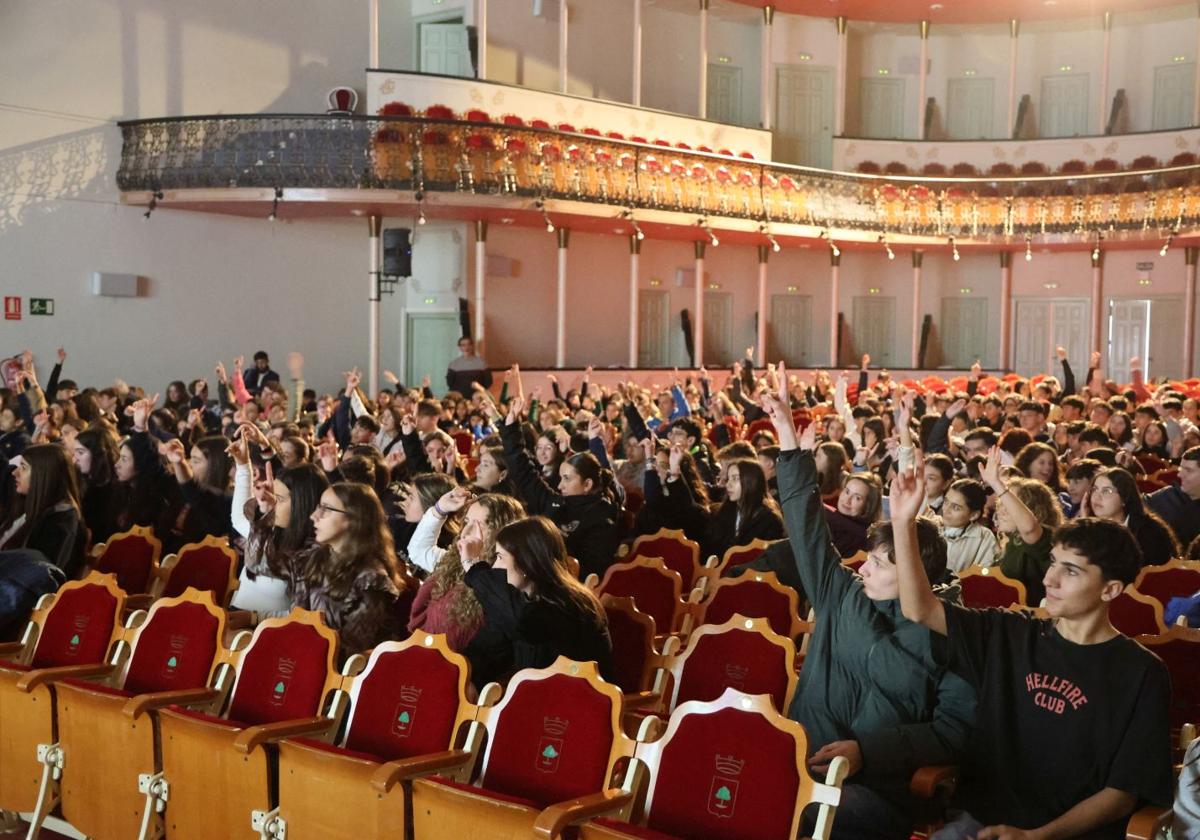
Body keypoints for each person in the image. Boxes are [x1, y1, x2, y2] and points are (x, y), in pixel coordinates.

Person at [890, 455, 1173, 840]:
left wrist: (1038, 836)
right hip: (982, 824)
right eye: (1053, 563)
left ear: (1110, 590)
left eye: (1070, 571)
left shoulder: (1141, 672)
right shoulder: (1010, 632)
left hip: (1069, 834)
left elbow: (1122, 792)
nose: (1050, 578)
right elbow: (919, 608)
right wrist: (903, 524)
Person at [758, 368, 974, 840]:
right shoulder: (843, 595)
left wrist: (868, 752)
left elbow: (952, 731)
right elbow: (807, 527)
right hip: (800, 759)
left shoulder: (950, 632)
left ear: (916, 574)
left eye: (880, 563)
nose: (864, 569)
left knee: (808, 817)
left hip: (875, 787)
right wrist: (788, 439)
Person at [459, 515, 612, 689]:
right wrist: (463, 679)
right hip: (539, 701)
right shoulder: (521, 602)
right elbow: (485, 652)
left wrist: (474, 567)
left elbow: (522, 620)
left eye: (500, 557)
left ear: (527, 563)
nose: (494, 567)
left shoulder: (567, 604)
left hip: (573, 706)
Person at [280, 482, 406, 657]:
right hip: (302, 656)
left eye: (326, 509)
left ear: (354, 518)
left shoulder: (372, 580)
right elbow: (297, 618)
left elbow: (349, 650)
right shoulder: (315, 558)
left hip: (340, 674)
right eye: (318, 507)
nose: (313, 516)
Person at [501, 395, 620, 579]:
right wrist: (511, 428)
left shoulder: (602, 520)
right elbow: (524, 473)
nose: (559, 484)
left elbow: (589, 575)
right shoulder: (558, 502)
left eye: (566, 479)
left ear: (587, 484)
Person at [406, 486, 525, 651]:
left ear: (501, 532)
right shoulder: (454, 564)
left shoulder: (506, 580)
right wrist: (439, 510)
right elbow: (418, 551)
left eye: (479, 525)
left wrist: (473, 565)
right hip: (426, 654)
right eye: (466, 522)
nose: (465, 532)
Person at [229, 427, 329, 616]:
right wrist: (243, 466)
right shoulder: (272, 531)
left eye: (280, 500)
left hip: (265, 635)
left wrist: (251, 619)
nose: (273, 504)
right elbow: (238, 519)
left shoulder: (313, 552)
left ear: (302, 504)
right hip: (239, 625)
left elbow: (301, 616)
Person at [981, 446, 1063, 606]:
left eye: (1009, 504)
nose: (1001, 510)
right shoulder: (1011, 542)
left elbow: (1029, 528)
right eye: (1001, 504)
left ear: (1032, 509)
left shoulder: (1044, 539)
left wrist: (997, 484)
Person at [0, 445, 87, 578]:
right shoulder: (26, 502)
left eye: (23, 467)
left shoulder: (60, 522)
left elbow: (39, 576)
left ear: (45, 475)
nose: (14, 472)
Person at [1084, 467, 1179, 568]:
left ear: (1124, 497)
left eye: (1106, 491)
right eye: (1095, 489)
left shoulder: (1150, 531)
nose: (1096, 497)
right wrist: (1085, 527)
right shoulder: (1091, 527)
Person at [70, 426, 122, 543]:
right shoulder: (80, 481)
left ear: (98, 454)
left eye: (80, 452)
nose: (75, 458)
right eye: (75, 452)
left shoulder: (113, 490)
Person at [1146, 446, 1200, 549]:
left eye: (1188, 470)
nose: (1179, 474)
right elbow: (1136, 506)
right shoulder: (1166, 496)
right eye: (1181, 468)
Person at [940, 478, 999, 572]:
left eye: (956, 507)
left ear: (974, 515)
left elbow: (986, 574)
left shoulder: (984, 537)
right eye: (946, 502)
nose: (946, 510)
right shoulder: (932, 528)